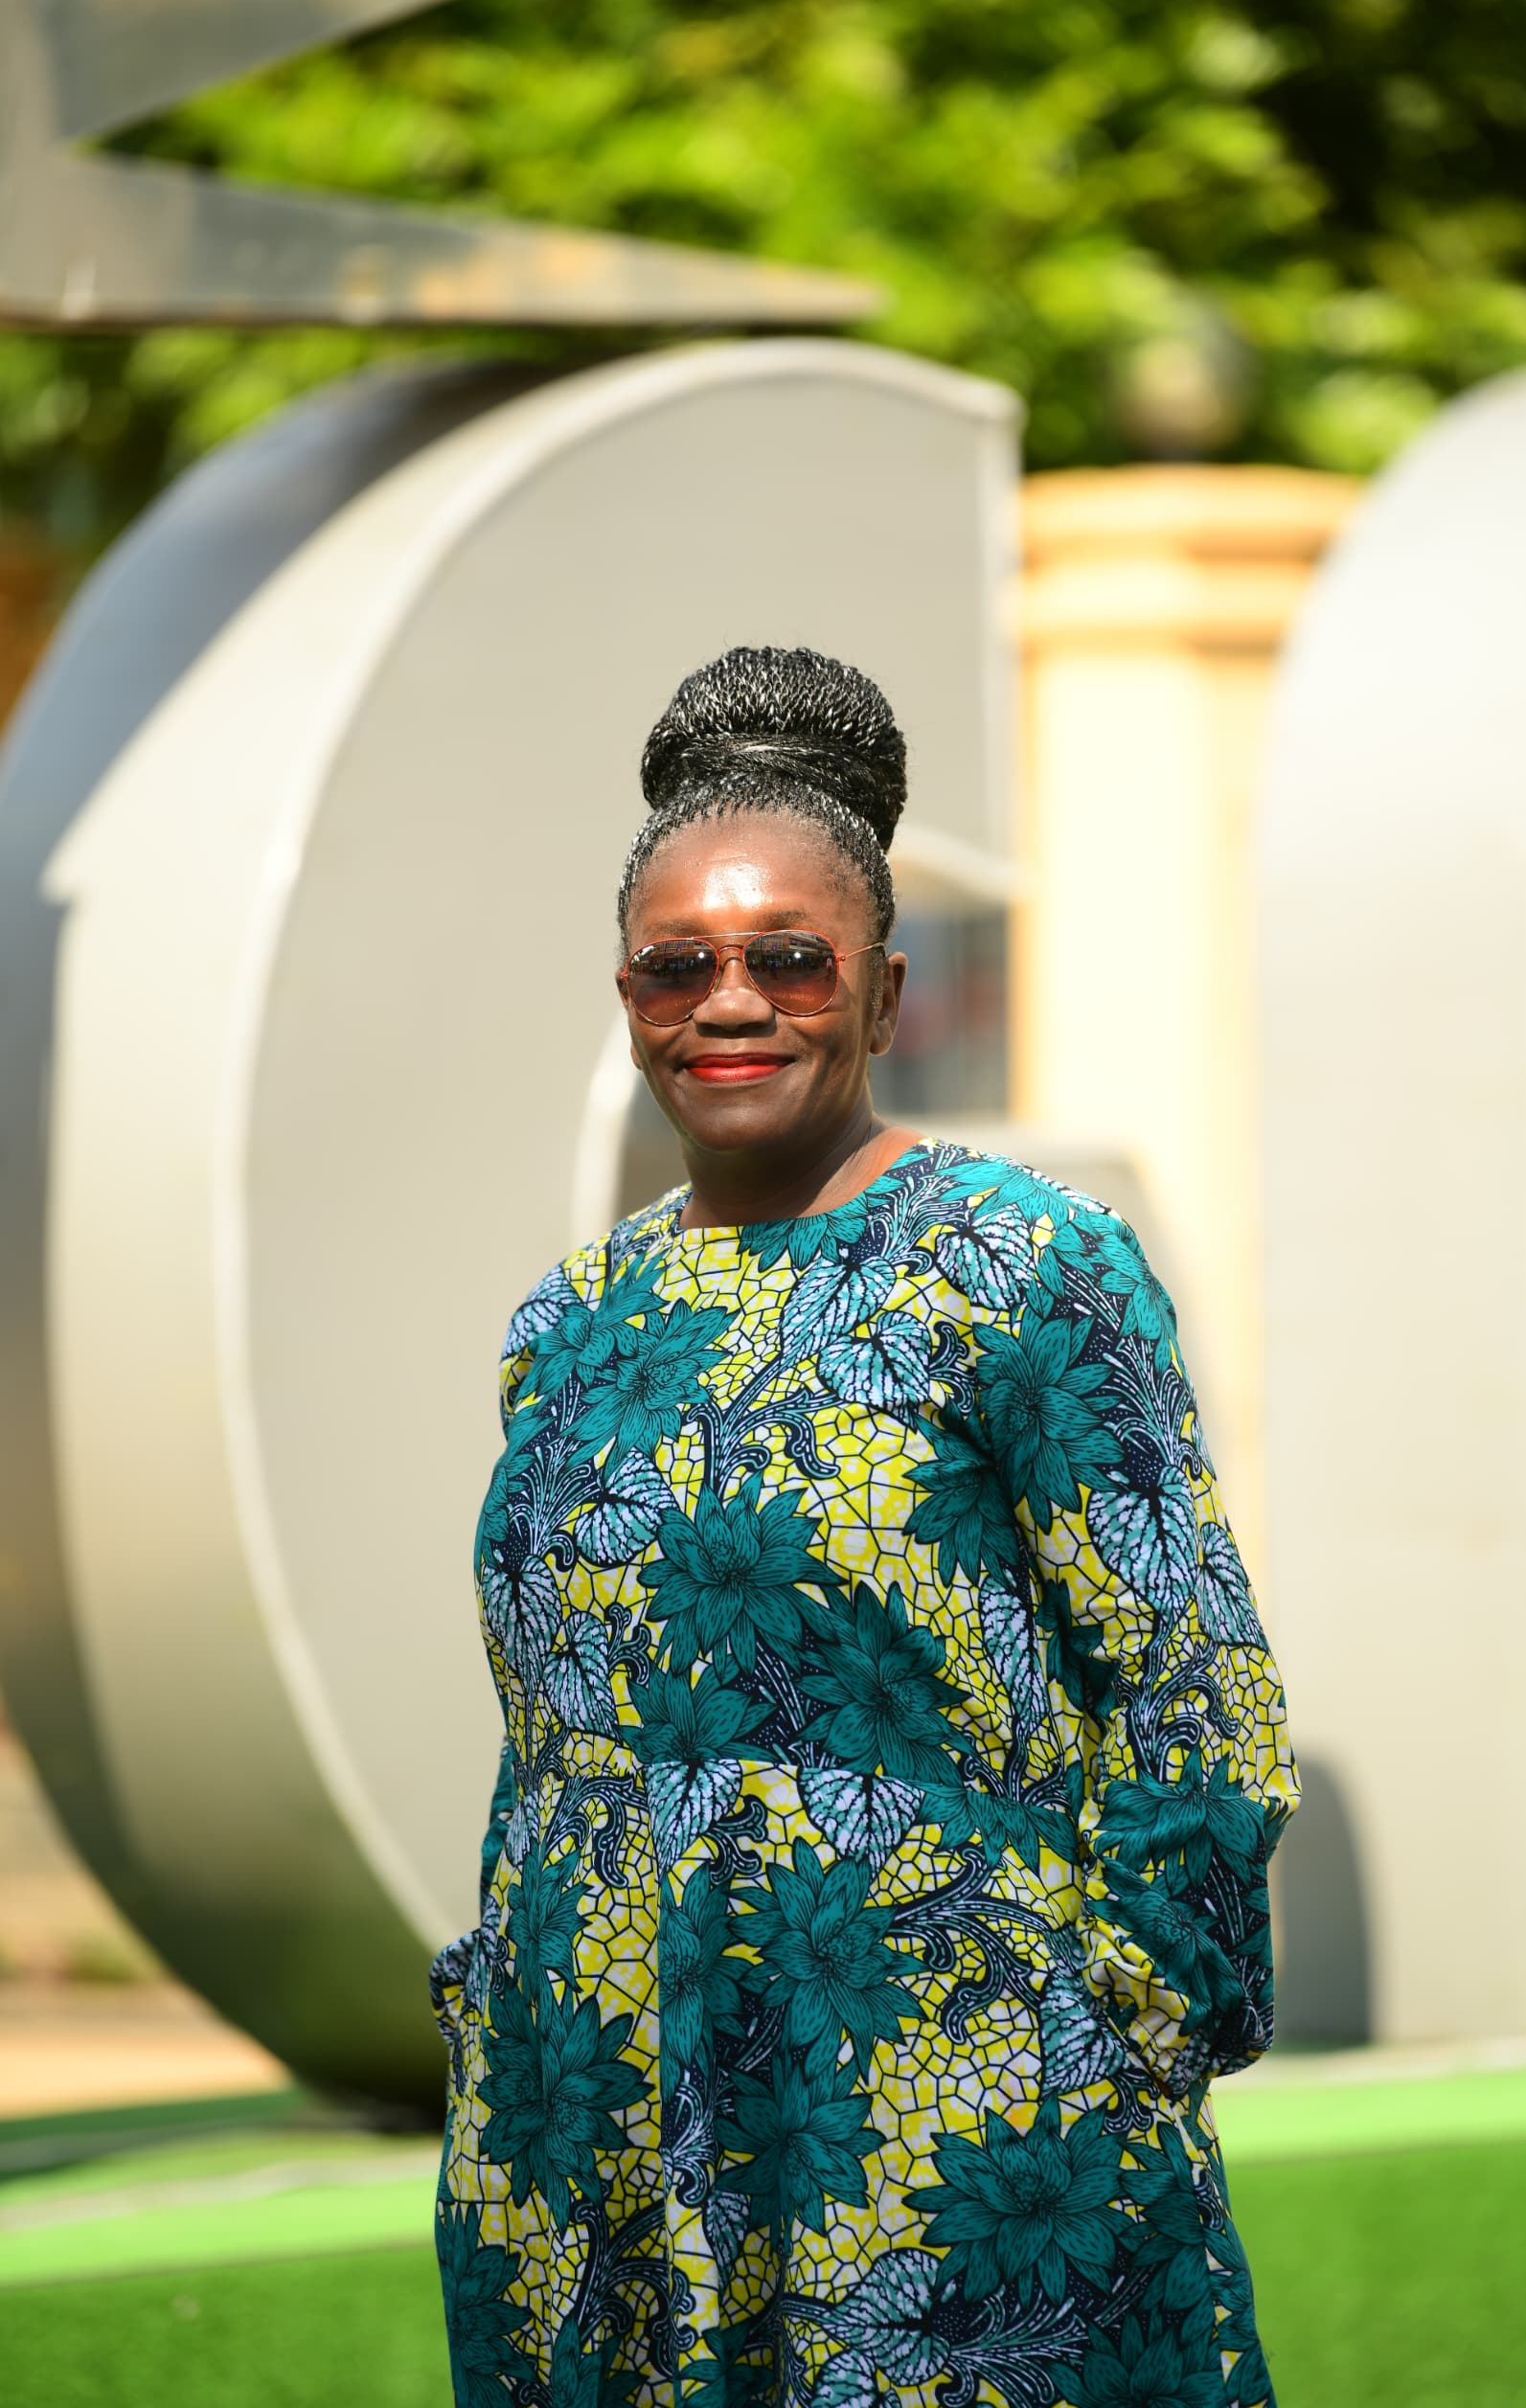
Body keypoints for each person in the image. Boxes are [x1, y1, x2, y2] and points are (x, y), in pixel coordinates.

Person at [432, 646, 1299, 2408]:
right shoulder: (569, 1319)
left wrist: (1117, 2033)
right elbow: (553, 1721)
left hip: (930, 2109)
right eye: (678, 965)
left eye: (789, 959)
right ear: (627, 996)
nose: (729, 1002)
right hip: (586, 2117)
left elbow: (1193, 1689)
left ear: (885, 992)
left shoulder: (1021, 1262)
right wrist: (497, 2004)